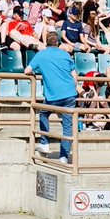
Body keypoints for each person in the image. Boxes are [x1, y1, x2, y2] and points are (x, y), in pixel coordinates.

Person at [25, 32, 78, 164]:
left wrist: (36, 72)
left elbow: (27, 71)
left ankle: (45, 143)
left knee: (43, 113)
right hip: (69, 93)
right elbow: (74, 76)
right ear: (58, 42)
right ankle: (64, 157)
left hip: (53, 95)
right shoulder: (65, 54)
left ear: (46, 42)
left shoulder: (41, 55)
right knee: (67, 126)